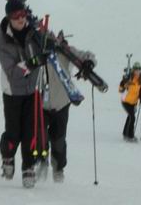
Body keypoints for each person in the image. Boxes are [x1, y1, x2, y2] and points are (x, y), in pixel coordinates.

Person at [0, 0, 45, 188]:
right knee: (13, 133)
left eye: (23, 14)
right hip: (12, 91)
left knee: (30, 132)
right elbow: (12, 73)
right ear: (9, 18)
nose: (20, 19)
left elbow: (46, 45)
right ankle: (8, 157)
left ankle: (28, 167)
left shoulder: (33, 33)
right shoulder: (3, 40)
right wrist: (32, 63)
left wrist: (47, 49)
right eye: (16, 16)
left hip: (32, 90)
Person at [42, 34, 95, 182]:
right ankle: (41, 162)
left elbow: (87, 55)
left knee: (58, 139)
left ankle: (58, 168)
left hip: (61, 103)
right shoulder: (37, 51)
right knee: (40, 137)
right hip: (40, 104)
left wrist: (89, 62)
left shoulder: (64, 51)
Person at [119, 61, 141, 142]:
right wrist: (124, 84)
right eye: (136, 69)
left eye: (139, 69)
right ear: (133, 70)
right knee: (132, 117)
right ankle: (130, 136)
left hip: (133, 102)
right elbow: (120, 89)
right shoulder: (129, 78)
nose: (137, 71)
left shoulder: (140, 80)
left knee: (130, 117)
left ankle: (125, 133)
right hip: (125, 101)